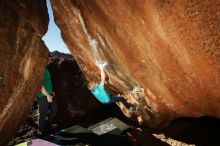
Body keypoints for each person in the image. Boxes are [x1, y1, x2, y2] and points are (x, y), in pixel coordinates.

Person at [37, 54, 58, 133]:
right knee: (43, 113)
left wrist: (51, 91)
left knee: (55, 109)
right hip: (42, 96)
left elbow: (47, 82)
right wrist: (47, 95)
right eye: (48, 59)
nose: (50, 61)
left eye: (50, 59)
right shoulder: (40, 69)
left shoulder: (46, 69)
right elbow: (40, 84)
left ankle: (49, 123)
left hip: (49, 94)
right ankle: (42, 131)